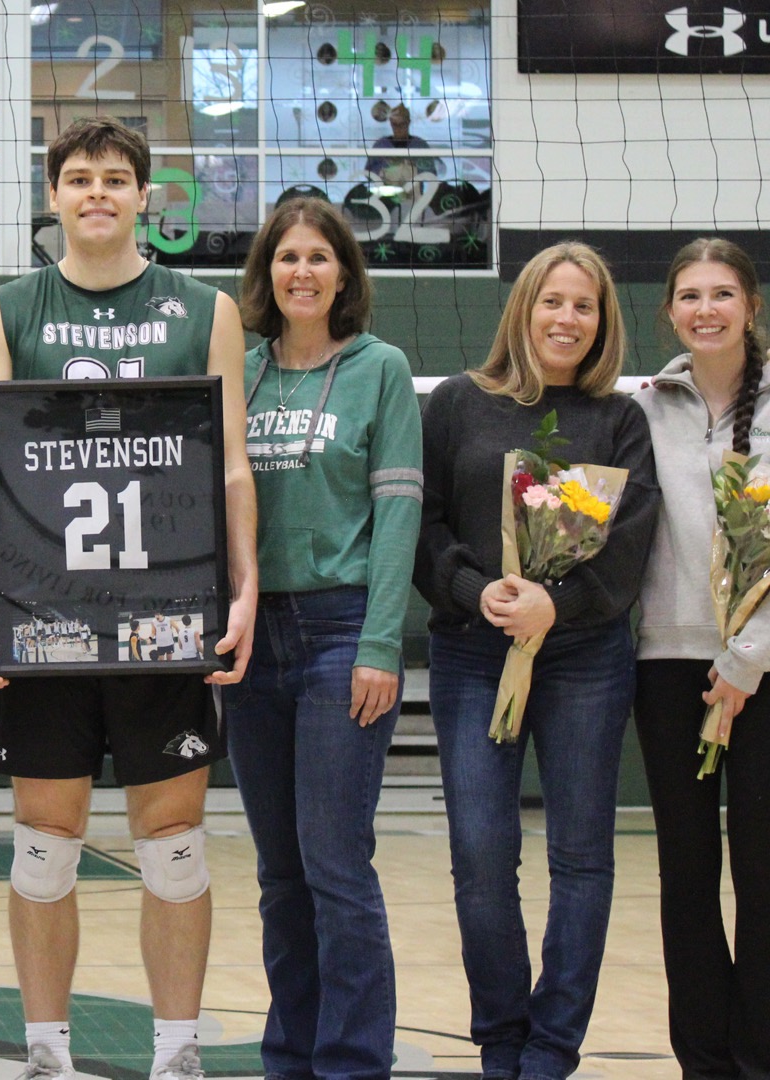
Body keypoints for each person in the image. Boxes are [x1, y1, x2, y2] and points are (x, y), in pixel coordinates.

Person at [0, 116, 259, 1080]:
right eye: (79, 178)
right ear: (53, 197)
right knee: (44, 850)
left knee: (174, 849)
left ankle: (178, 1056)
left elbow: (234, 469)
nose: (97, 193)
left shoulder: (201, 309)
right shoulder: (6, 309)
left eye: (115, 179)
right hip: (42, 614)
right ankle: (47, 1056)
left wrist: (244, 589)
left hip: (168, 619)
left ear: (142, 197)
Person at [415, 242, 658, 1080]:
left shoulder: (619, 418)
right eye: (553, 301)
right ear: (522, 308)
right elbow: (425, 526)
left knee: (582, 856)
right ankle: (502, 1040)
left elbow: (631, 541)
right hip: (475, 654)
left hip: (585, 657)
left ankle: (553, 1048)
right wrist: (476, 588)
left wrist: (563, 603)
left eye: (583, 307)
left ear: (602, 323)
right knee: (482, 855)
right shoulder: (455, 404)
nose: (567, 319)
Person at [222, 197, 423, 1080]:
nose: (301, 271)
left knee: (337, 867)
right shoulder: (242, 372)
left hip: (343, 634)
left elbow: (397, 518)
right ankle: (289, 1059)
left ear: (345, 272)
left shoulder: (382, 369)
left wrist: (383, 644)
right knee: (279, 878)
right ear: (267, 273)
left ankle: (351, 1064)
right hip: (250, 640)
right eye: (286, 257)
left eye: (318, 256)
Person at [633, 237, 770, 1079]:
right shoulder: (646, 406)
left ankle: (759, 1054)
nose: (706, 308)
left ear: (751, 308)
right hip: (668, 669)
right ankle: (704, 1061)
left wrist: (749, 657)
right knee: (687, 877)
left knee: (761, 873)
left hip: (760, 673)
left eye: (723, 293)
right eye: (690, 295)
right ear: (671, 310)